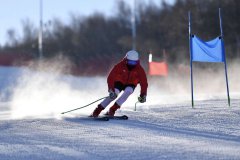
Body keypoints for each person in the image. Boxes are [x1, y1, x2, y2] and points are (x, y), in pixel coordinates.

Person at [90, 50, 148, 117]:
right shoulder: (119, 66)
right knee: (114, 94)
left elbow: (144, 83)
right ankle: (97, 110)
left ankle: (112, 110)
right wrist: (111, 90)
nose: (132, 64)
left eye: (134, 63)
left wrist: (143, 95)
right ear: (126, 60)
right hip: (120, 82)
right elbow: (110, 78)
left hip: (131, 83)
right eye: (130, 62)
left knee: (128, 92)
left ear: (137, 61)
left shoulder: (139, 69)